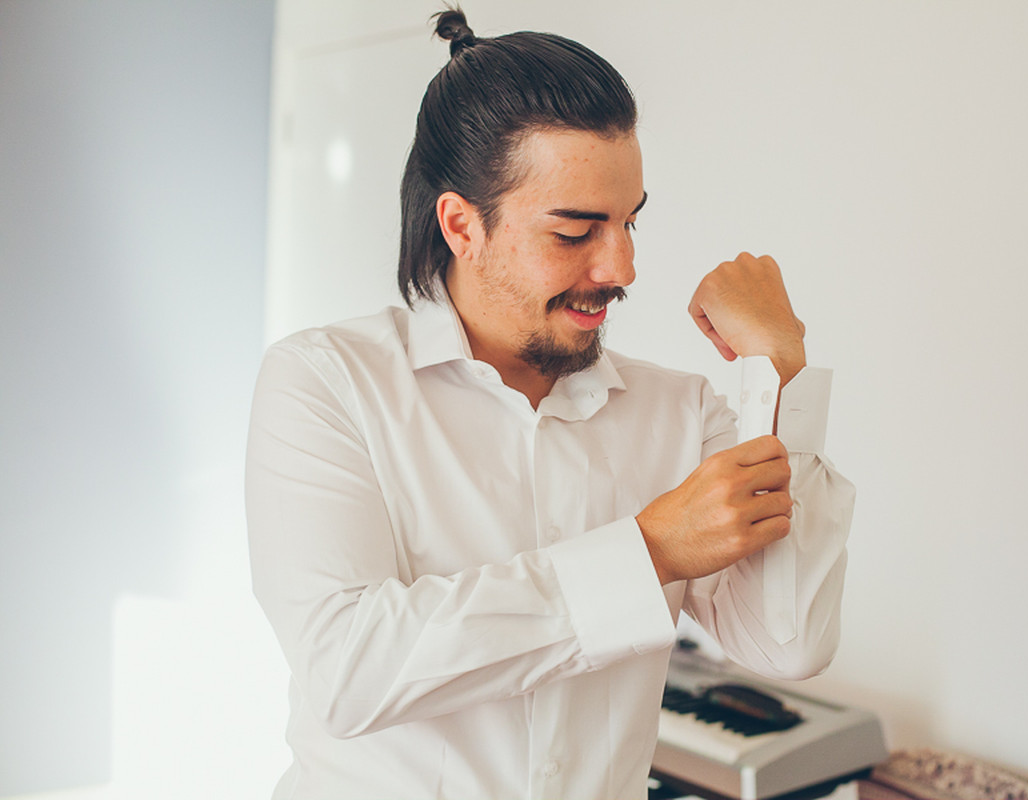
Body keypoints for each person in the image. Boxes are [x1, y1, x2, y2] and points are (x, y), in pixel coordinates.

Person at [246, 8, 855, 799]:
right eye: (577, 231)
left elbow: (789, 644)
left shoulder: (682, 414)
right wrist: (648, 554)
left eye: (630, 221)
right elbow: (350, 671)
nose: (622, 266)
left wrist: (783, 369)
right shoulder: (324, 384)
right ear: (461, 224)